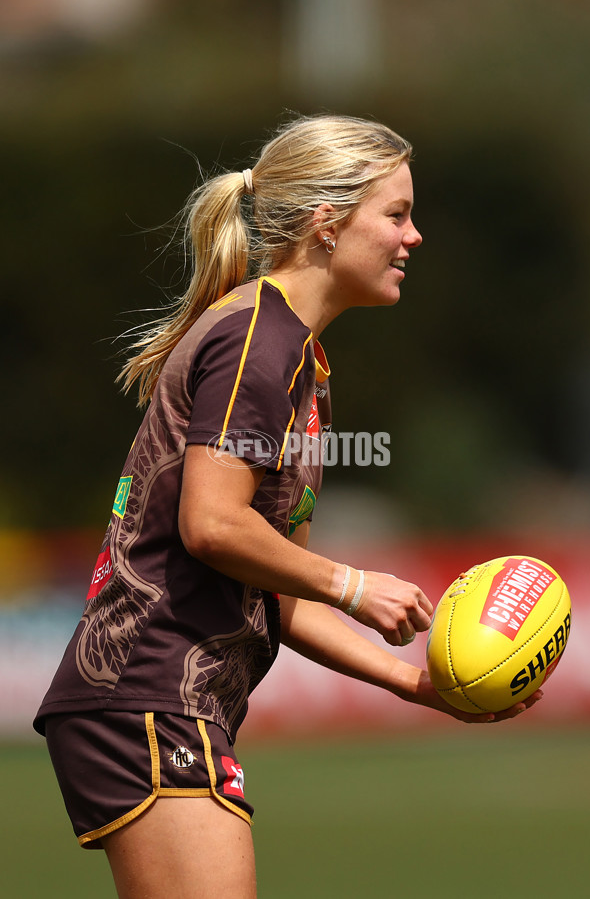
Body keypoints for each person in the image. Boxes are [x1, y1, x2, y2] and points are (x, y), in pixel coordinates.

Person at [34, 114, 542, 899]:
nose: (414, 236)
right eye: (397, 214)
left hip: (168, 705)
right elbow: (212, 523)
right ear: (327, 224)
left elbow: (281, 594)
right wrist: (353, 583)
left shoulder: (303, 365)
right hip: (147, 696)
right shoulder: (258, 341)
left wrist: (414, 684)